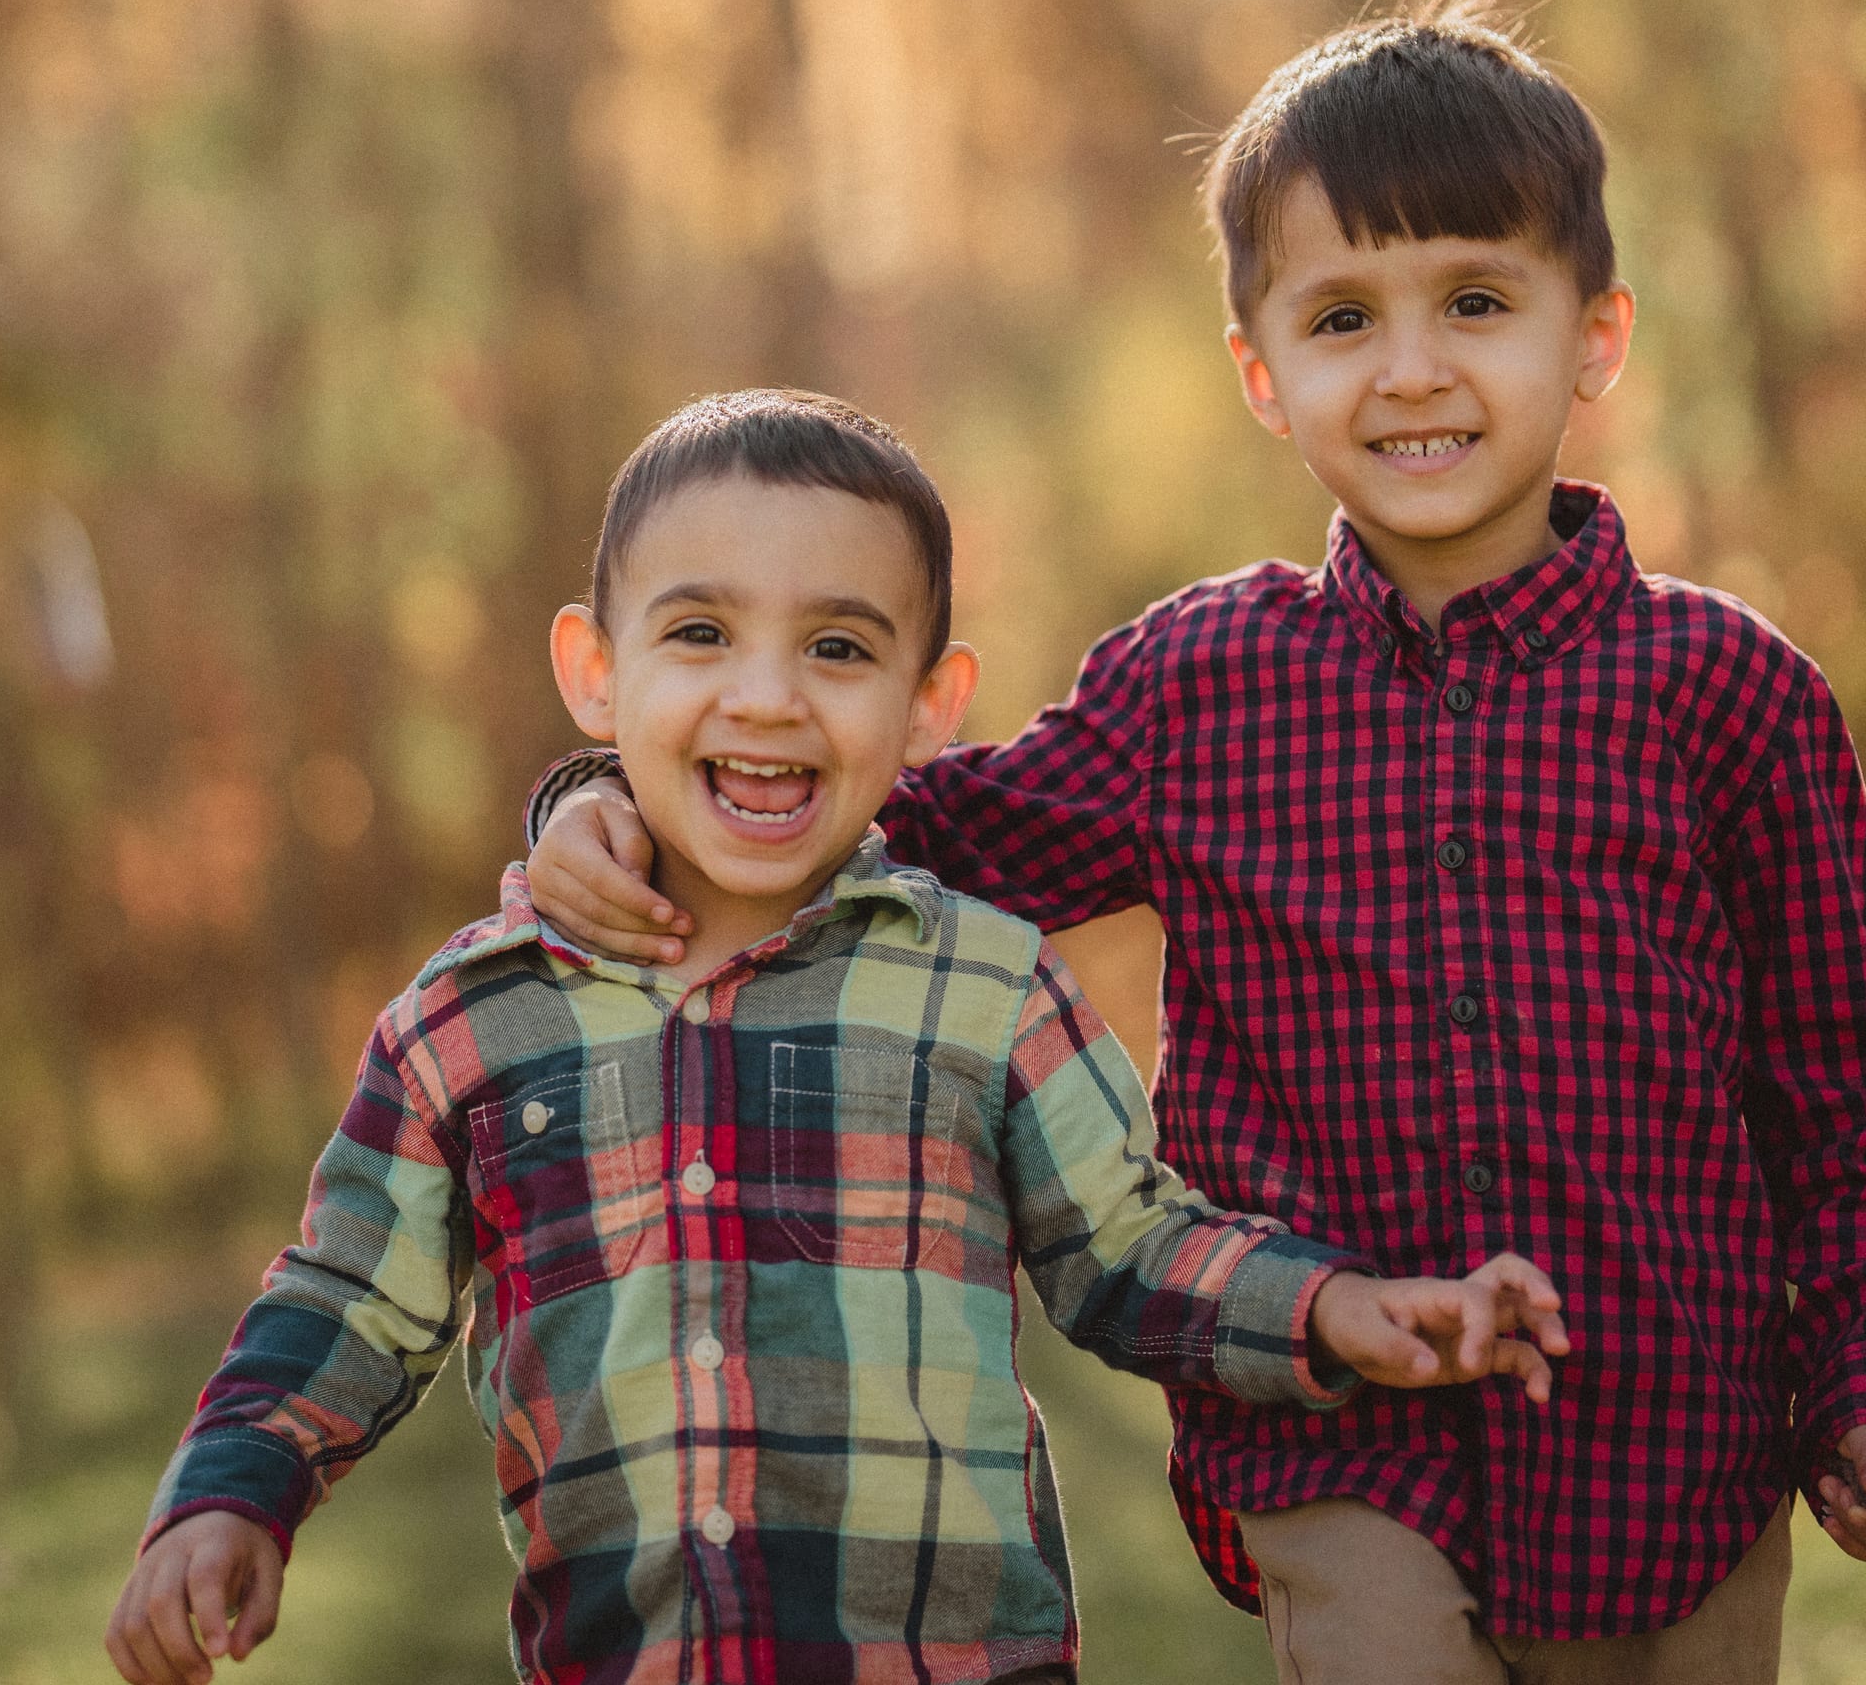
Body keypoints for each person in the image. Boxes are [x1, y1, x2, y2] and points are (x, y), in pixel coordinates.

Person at [524, 0, 1866, 1684]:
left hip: (1674, 1446)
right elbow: (889, 828)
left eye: (1477, 300)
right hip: (1330, 1437)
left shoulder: (1730, 693)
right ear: (1263, 375)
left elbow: (1842, 1088)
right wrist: (603, 800)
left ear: (1595, 339)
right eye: (1342, 317)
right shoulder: (1197, 687)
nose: (1412, 369)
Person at [104, 389, 1572, 1685]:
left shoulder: (985, 988)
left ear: (931, 705)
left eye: (838, 647)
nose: (766, 695)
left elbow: (1130, 1249)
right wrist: (232, 1489)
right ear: (595, 670)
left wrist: (1332, 1309)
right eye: (699, 633)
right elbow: (347, 1295)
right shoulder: (473, 1021)